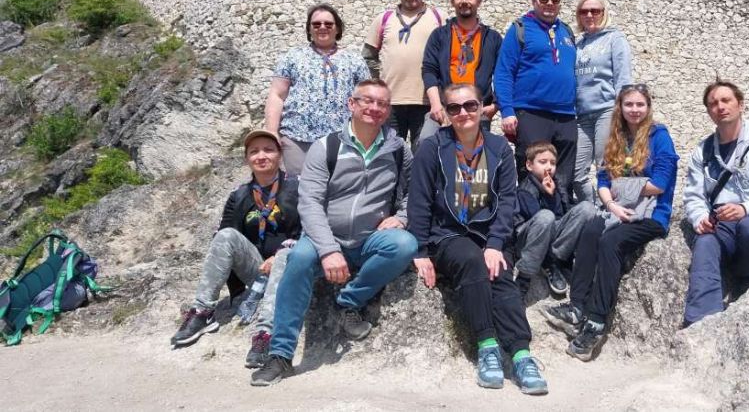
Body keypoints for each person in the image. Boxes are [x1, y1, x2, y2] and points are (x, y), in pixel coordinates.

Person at [250, 79, 419, 386]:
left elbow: (413, 193)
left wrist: (403, 217)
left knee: (404, 245)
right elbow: (310, 202)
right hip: (324, 237)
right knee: (298, 260)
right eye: (367, 101)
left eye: (382, 103)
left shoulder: (398, 150)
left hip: (370, 238)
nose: (375, 108)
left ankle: (349, 301)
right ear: (351, 104)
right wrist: (328, 250)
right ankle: (280, 355)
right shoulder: (326, 147)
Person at [407, 84, 549, 395]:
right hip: (448, 233)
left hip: (487, 234)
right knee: (472, 261)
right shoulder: (432, 148)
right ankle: (487, 347)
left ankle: (521, 354)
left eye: (470, 105)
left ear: (481, 106)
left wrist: (496, 244)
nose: (463, 113)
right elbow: (419, 200)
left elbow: (508, 201)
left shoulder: (499, 149)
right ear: (446, 112)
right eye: (454, 108)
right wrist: (420, 249)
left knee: (500, 274)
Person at [541, 84, 678, 361]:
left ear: (648, 107)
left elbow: (660, 184)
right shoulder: (616, 137)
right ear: (620, 107)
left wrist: (620, 187)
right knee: (592, 229)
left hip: (651, 214)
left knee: (610, 242)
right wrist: (613, 204)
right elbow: (603, 180)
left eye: (640, 104)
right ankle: (576, 307)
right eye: (629, 104)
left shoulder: (659, 137)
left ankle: (596, 321)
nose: (634, 110)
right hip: (617, 209)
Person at [170, 129, 301, 369]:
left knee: (285, 254)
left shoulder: (297, 187)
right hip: (256, 269)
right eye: (254, 151)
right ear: (247, 158)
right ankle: (202, 311)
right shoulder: (239, 195)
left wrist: (278, 254)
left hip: (291, 263)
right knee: (225, 235)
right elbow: (225, 235)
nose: (261, 156)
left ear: (280, 155)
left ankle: (266, 334)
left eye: (268, 150)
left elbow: (310, 229)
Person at [681, 80, 749, 327]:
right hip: (722, 224)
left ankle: (745, 274)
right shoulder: (703, 151)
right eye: (713, 103)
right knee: (705, 242)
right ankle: (701, 322)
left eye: (726, 100)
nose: (720, 107)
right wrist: (700, 218)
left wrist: (745, 209)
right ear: (709, 112)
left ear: (740, 105)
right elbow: (694, 195)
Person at [494, 0, 578, 199]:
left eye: (555, 0)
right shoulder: (520, 29)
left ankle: (562, 214)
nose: (549, 3)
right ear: (534, 1)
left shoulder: (566, 31)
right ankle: (528, 216)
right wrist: (507, 111)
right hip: (531, 112)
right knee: (531, 173)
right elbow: (503, 72)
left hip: (566, 115)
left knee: (564, 175)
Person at [265, 4, 369, 175]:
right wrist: (271, 132)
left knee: (340, 189)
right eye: (316, 24)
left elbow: (365, 99)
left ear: (337, 28)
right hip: (298, 140)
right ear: (309, 29)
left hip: (343, 141)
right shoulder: (292, 57)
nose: (322, 27)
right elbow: (277, 95)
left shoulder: (355, 60)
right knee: (300, 188)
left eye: (328, 24)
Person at [363, 0, 443, 148]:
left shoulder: (438, 18)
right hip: (390, 102)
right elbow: (368, 57)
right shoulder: (383, 19)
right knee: (388, 153)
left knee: (423, 152)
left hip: (427, 103)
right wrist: (381, 79)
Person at [420, 0, 503, 140]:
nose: (464, 1)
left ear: (479, 1)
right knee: (425, 141)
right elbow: (429, 70)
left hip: (477, 109)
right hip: (445, 108)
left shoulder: (492, 38)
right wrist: (435, 104)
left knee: (477, 152)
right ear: (452, 1)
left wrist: (495, 105)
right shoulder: (439, 35)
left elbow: (503, 74)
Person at [513, 142, 596, 298]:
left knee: (587, 208)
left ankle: (555, 260)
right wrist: (547, 195)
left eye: (552, 163)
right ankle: (524, 276)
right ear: (529, 165)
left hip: (550, 237)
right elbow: (538, 219)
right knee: (546, 216)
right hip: (529, 240)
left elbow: (560, 215)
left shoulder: (556, 184)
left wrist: (551, 195)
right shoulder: (525, 190)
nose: (548, 167)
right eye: (542, 162)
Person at [572, 0, 633, 203]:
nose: (589, 15)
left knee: (606, 168)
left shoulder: (615, 39)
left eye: (595, 11)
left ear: (603, 13)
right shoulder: (577, 44)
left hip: (607, 111)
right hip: (581, 117)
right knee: (576, 174)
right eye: (584, 11)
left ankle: (611, 213)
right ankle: (597, 209)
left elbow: (623, 78)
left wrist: (622, 114)